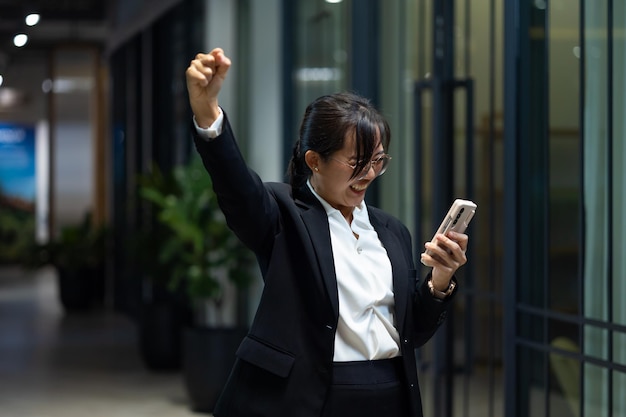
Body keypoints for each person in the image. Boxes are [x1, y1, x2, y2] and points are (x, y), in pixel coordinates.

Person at [185, 48, 469, 417]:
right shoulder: (283, 215)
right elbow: (236, 187)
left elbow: (409, 332)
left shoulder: (391, 231)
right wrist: (207, 113)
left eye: (378, 161)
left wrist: (439, 282)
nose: (368, 174)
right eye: (356, 162)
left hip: (392, 397)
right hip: (312, 397)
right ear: (314, 161)